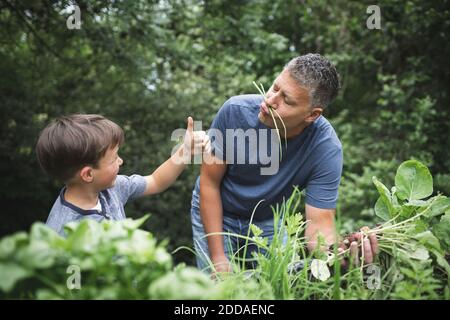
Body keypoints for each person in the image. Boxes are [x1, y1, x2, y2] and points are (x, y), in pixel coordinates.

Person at [190, 53, 378, 274]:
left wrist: (338, 253)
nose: (269, 101)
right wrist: (219, 258)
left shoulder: (325, 148)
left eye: (286, 100)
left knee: (280, 286)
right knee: (219, 292)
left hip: (268, 220)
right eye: (274, 87)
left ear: (312, 115)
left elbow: (319, 225)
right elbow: (209, 183)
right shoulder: (235, 112)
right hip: (217, 209)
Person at [36, 114, 210, 236]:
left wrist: (186, 151)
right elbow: (71, 287)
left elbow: (155, 181)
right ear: (88, 174)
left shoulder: (112, 188)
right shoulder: (65, 231)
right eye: (114, 159)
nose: (121, 161)